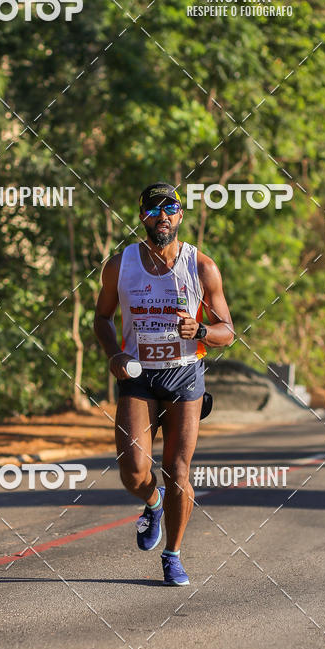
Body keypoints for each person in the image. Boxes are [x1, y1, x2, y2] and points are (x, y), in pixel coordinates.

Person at [93, 183, 234, 586]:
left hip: (184, 374)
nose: (162, 217)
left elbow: (228, 331)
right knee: (134, 472)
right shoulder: (120, 266)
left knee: (177, 470)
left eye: (170, 208)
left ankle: (172, 555)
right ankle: (151, 504)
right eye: (154, 210)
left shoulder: (202, 267)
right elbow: (101, 318)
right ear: (142, 218)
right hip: (139, 375)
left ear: (180, 215)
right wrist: (114, 354)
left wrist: (202, 329)